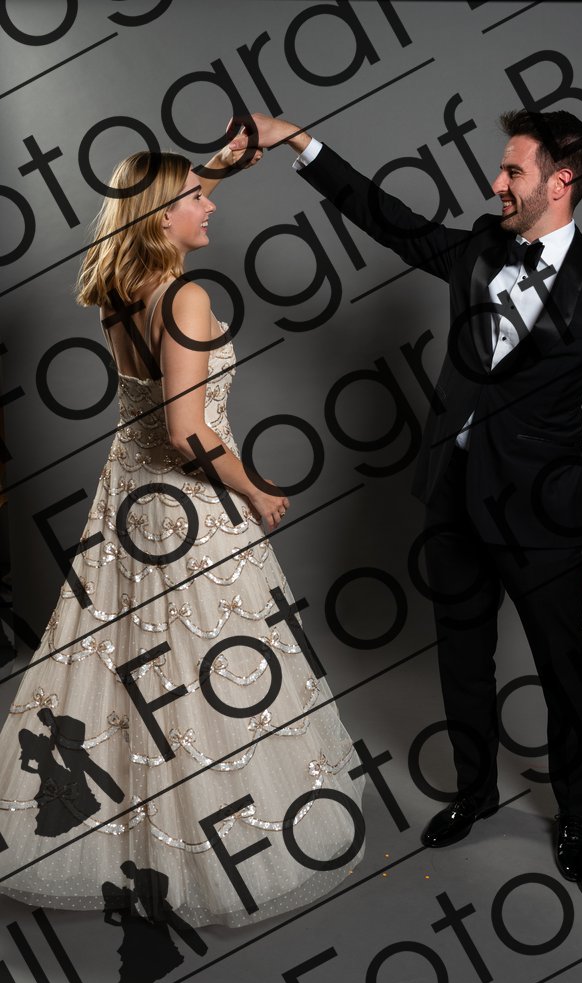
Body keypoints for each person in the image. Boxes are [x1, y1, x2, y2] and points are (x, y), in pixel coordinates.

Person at [232, 109, 582, 882]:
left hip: (541, 518)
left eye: (513, 171)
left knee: (564, 672)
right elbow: (390, 221)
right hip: (453, 498)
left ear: (561, 182)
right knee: (463, 660)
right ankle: (474, 793)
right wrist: (299, 141)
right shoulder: (479, 250)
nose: (496, 183)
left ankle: (573, 812)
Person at [0, 138, 365, 927]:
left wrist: (232, 154)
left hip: (127, 495)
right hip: (188, 503)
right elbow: (187, 429)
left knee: (130, 660)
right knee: (206, 664)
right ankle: (209, 852)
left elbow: (151, 412)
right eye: (196, 197)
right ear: (163, 214)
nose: (211, 205)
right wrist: (256, 488)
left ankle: (125, 834)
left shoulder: (118, 289)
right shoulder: (186, 296)